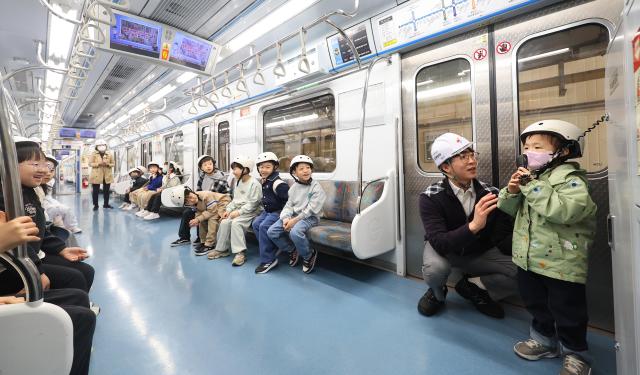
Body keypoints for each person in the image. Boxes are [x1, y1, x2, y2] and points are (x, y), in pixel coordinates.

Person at [497, 120, 597, 375]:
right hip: (529, 259)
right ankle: (543, 341)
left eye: (537, 146)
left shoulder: (572, 180)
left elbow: (563, 211)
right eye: (527, 147)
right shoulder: (534, 178)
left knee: (567, 310)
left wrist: (530, 185)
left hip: (561, 263)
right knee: (536, 303)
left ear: (562, 151)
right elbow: (508, 210)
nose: (529, 152)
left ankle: (576, 354)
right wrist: (511, 192)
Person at [417, 133, 517, 319]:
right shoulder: (430, 197)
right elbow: (439, 242)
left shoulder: (490, 193)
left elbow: (499, 234)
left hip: (476, 253)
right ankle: (437, 294)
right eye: (463, 157)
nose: (472, 161)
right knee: (434, 270)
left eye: (472, 155)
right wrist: (474, 226)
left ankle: (473, 287)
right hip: (445, 251)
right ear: (446, 167)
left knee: (521, 271)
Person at [267, 155, 325, 274]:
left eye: (308, 167)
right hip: (294, 216)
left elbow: (311, 210)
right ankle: (293, 250)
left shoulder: (316, 187)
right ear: (295, 172)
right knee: (272, 232)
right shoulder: (293, 188)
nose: (306, 170)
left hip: (311, 217)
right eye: (301, 168)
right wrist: (285, 219)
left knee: (295, 232)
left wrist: (294, 221)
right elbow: (289, 205)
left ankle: (309, 255)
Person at [207, 155, 262, 266]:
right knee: (225, 221)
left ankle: (240, 253)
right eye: (233, 169)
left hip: (252, 211)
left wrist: (238, 212)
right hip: (238, 210)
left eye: (236, 169)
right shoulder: (238, 181)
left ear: (245, 169)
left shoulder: (254, 184)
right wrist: (228, 210)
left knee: (236, 223)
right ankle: (222, 249)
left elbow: (253, 204)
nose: (233, 172)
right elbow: (235, 200)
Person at [170, 155, 229, 247]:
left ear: (213, 164)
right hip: (204, 202)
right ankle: (185, 237)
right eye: (205, 165)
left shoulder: (220, 177)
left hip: (216, 204)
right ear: (201, 168)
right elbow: (198, 192)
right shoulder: (202, 177)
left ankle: (204, 239)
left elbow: (217, 196)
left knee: (202, 214)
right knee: (187, 212)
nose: (208, 166)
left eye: (210, 164)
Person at [163, 185, 231, 255]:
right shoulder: (194, 202)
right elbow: (199, 212)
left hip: (223, 203)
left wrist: (198, 219)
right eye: (187, 201)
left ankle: (210, 244)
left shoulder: (206, 195)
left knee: (212, 219)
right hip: (213, 207)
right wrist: (197, 219)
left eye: (190, 196)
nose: (191, 199)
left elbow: (212, 212)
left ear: (191, 191)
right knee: (201, 220)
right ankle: (203, 241)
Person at [252, 152, 289, 274]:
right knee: (256, 224)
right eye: (261, 167)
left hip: (278, 212)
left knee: (263, 227)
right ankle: (270, 249)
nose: (263, 169)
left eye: (267, 167)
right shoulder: (265, 180)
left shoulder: (278, 183)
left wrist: (286, 217)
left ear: (275, 167)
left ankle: (268, 260)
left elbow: (288, 202)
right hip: (268, 211)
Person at [41, 154, 82, 233]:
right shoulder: (34, 182)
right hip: (42, 204)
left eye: (51, 170)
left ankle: (71, 227)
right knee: (62, 210)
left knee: (65, 209)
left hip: (47, 199)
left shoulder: (50, 181)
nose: (48, 173)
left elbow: (47, 196)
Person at [89, 139, 115, 210]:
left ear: (106, 146)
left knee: (106, 191)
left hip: (107, 175)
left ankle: (106, 204)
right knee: (95, 191)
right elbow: (90, 164)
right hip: (96, 175)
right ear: (96, 146)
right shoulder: (93, 154)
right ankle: (96, 205)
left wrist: (108, 164)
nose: (102, 146)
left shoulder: (109, 154)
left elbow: (113, 164)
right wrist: (98, 164)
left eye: (103, 145)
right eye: (100, 145)